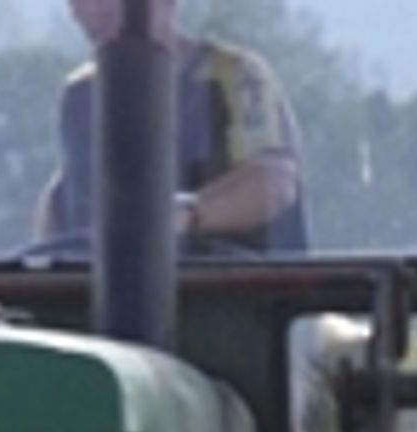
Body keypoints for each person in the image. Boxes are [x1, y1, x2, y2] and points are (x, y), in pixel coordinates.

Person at [38, 0, 309, 253]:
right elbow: (65, 197)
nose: (88, 11)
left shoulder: (235, 76)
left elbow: (273, 183)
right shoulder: (81, 94)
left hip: (235, 290)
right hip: (100, 291)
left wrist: (185, 216)